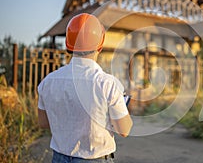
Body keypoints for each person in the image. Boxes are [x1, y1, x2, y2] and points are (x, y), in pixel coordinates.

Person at [38, 13, 133, 162]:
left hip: (59, 158)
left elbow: (44, 123)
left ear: (68, 45)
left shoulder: (48, 81)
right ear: (100, 45)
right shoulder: (108, 84)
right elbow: (124, 130)